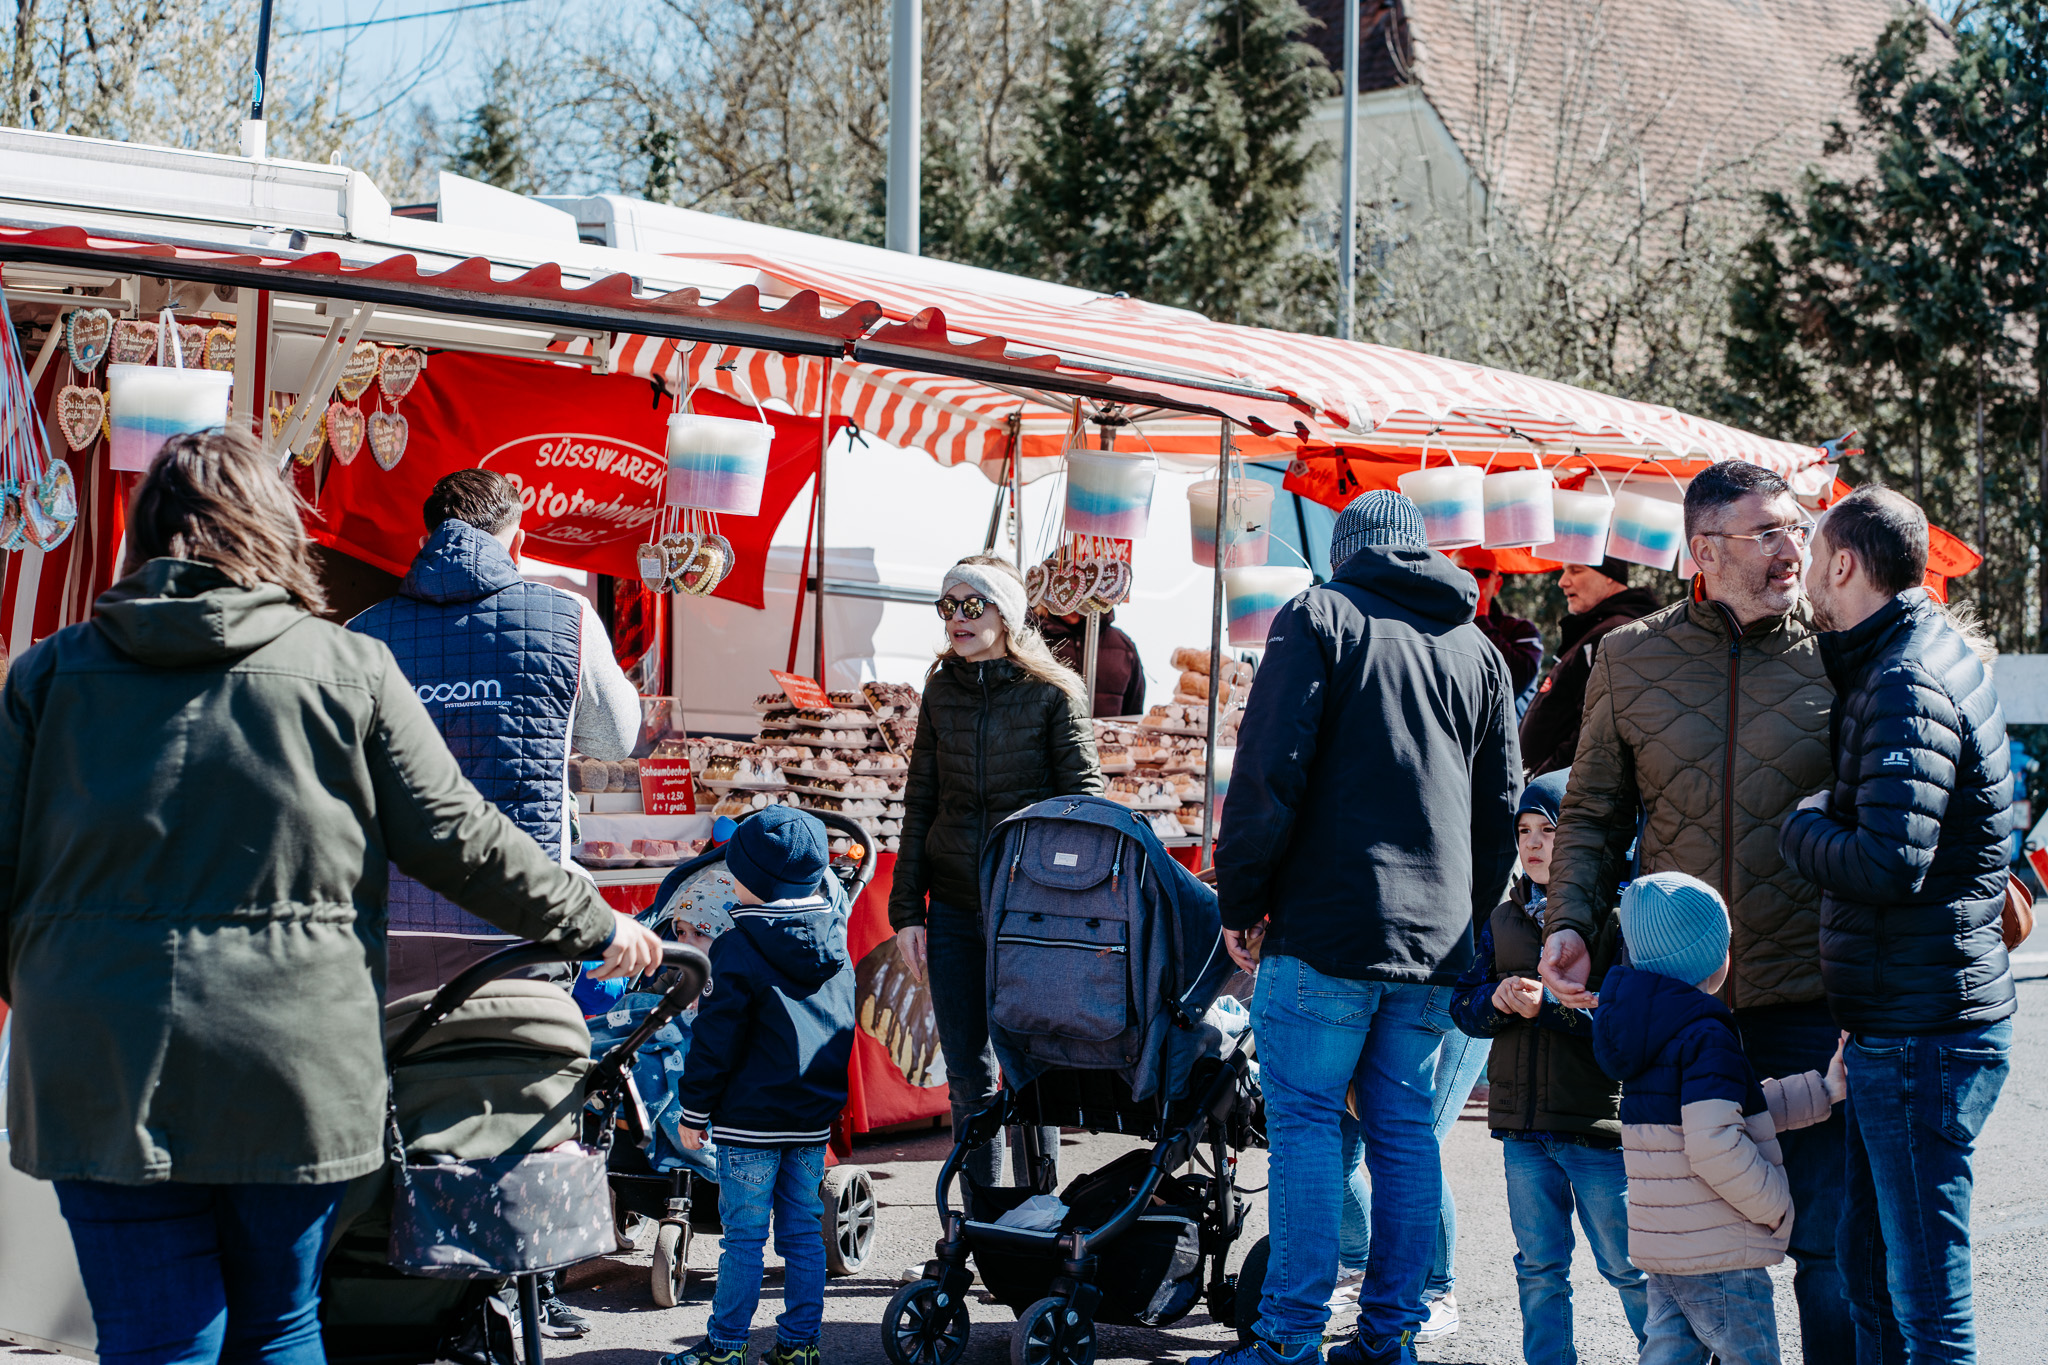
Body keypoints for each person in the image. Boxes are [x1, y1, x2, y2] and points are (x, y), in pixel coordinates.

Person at [0, 429, 662, 1365]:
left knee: (157, 1336)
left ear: (143, 538)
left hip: (98, 1060)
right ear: (278, 532)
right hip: (290, 1060)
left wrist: (55, 992)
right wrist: (596, 922)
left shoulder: (47, 674)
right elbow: (460, 838)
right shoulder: (346, 668)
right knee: (280, 1323)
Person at [1538, 459, 1847, 1363]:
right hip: (1679, 1012)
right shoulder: (1628, 657)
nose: (1793, 548)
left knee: (1827, 1252)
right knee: (1689, 1255)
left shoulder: (1843, 651)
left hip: (1809, 996)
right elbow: (1593, 813)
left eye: (1796, 527)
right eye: (1769, 531)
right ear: (1704, 550)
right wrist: (1568, 922)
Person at [1207, 491, 1521, 1365]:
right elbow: (1500, 808)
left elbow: (1267, 771)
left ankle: (1288, 1341)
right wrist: (1467, 921)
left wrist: (1241, 902)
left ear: (1343, 552)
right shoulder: (1479, 650)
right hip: (1435, 941)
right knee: (1405, 1132)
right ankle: (1389, 1337)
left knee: (1307, 1126)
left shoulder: (1320, 613)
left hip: (1326, 927)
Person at [1780, 487, 2014, 1365]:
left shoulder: (1905, 677)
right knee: (1872, 1271)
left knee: (1924, 1299)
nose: (1803, 574)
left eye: (1812, 557)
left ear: (1844, 563)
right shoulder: (1910, 656)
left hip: (1925, 1032)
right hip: (1905, 1018)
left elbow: (1888, 862)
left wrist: (1801, 825)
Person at [348, 469, 643, 1004]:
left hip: (392, 920)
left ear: (424, 542)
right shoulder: (569, 617)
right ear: (519, 544)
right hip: (525, 921)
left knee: (402, 1057)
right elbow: (614, 741)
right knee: (516, 1056)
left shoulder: (362, 631)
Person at [888, 555, 1102, 1190]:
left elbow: (1085, 804)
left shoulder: (1053, 692)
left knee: (1033, 1068)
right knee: (968, 1074)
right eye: (947, 606)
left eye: (971, 604)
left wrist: (1067, 901)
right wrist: (907, 912)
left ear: (1004, 614)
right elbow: (921, 802)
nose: (957, 618)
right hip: (954, 907)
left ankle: (1040, 1212)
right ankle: (982, 1220)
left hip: (1030, 910)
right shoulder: (941, 689)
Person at [1592, 872, 1846, 1365]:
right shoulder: (1706, 1034)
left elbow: (1728, 1113)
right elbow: (1715, 1143)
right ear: (1712, 957)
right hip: (1722, 1249)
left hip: (1669, 1248)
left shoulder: (1647, 1030)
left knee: (1668, 1355)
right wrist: (1773, 1203)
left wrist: (1823, 1090)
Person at [1448, 767, 1648, 1363]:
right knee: (1538, 1269)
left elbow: (1628, 1025)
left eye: (1549, 830)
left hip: (1595, 1130)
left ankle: (1672, 1355)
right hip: (1522, 1131)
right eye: (1524, 831)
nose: (1533, 844)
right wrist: (1496, 999)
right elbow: (1463, 1004)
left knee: (1629, 1268)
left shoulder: (1616, 917)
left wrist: (1551, 1010)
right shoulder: (1502, 917)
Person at [665, 807, 854, 1365]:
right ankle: (800, 1346)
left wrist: (694, 1111)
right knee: (802, 1234)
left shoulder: (737, 945)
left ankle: (726, 1346)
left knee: (744, 1238)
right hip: (810, 1116)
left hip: (748, 1120)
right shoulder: (836, 943)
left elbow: (716, 1040)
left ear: (747, 876)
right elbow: (842, 1028)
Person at [1517, 558, 1661, 777]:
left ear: (1610, 576)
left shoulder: (1612, 634)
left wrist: (1541, 781)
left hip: (1561, 792)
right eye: (1565, 571)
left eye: (1576, 570)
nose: (1562, 582)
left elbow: (1594, 731)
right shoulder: (1599, 628)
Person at [1454, 548, 1543, 714]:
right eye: (1461, 571)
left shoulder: (1521, 630)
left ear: (1497, 585)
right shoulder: (1432, 627)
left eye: (1481, 573)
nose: (1470, 579)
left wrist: (1480, 618)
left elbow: (1514, 682)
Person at [1039, 604, 1148, 716]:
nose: (1073, 605)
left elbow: (1133, 711)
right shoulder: (1034, 639)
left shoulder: (1123, 645)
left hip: (1107, 727)